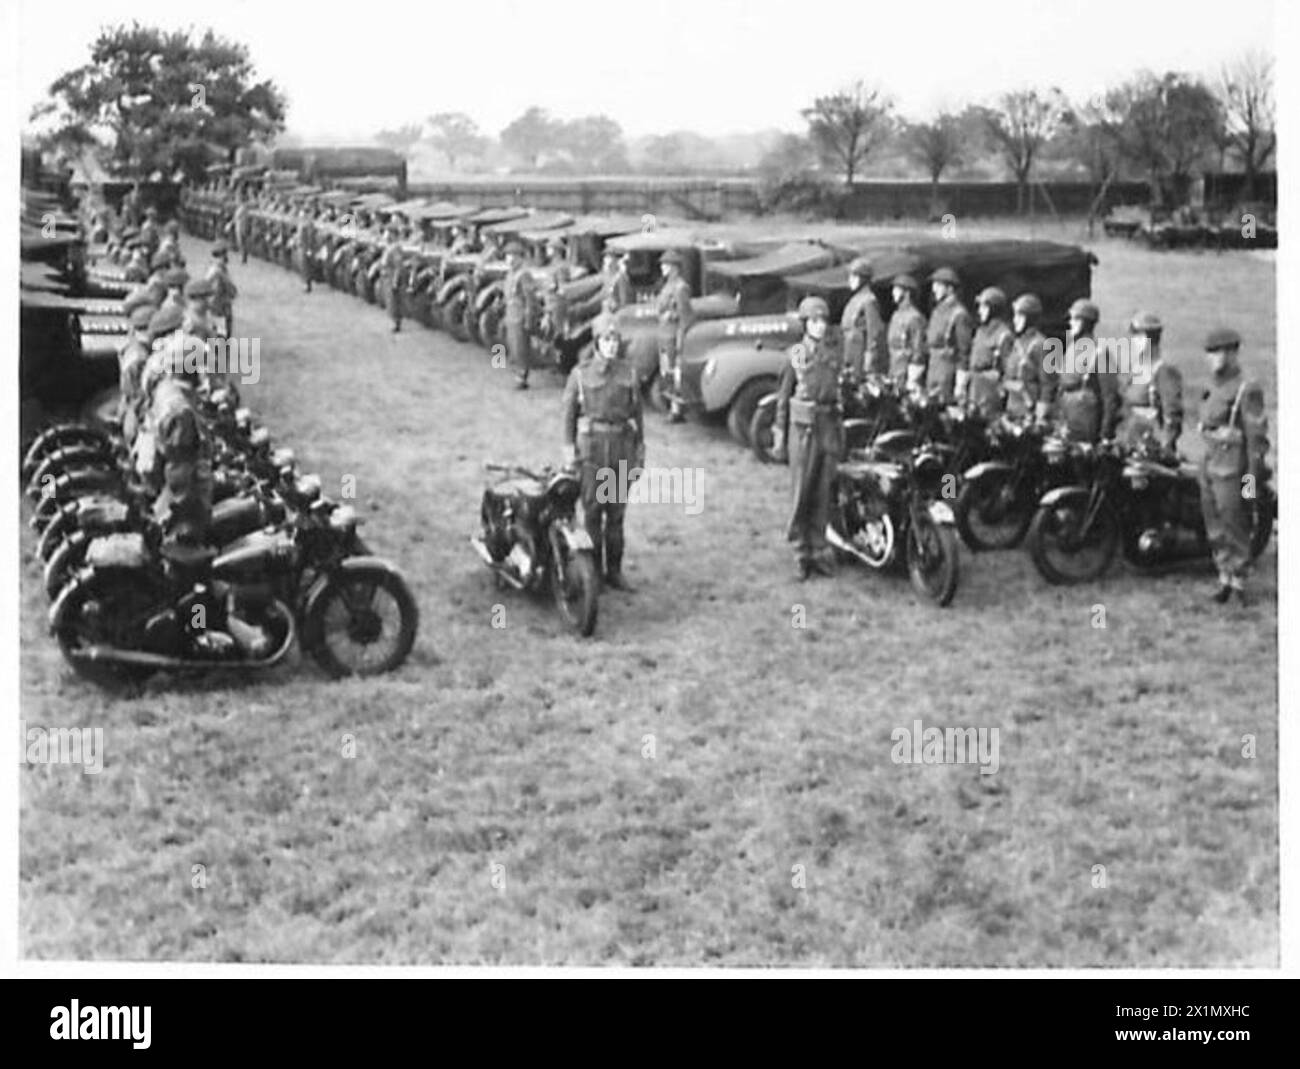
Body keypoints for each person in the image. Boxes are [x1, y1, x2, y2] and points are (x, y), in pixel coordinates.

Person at [561, 314, 645, 591]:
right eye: (607, 340)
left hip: (621, 449)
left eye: (615, 340)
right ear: (597, 342)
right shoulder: (580, 374)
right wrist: (569, 453)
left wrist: (639, 453)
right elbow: (568, 417)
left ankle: (615, 572)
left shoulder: (629, 373)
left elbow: (637, 417)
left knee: (616, 516)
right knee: (593, 515)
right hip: (592, 451)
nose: (612, 345)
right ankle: (593, 574)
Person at [772, 296, 845, 580]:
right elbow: (783, 397)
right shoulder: (797, 354)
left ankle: (818, 548)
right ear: (805, 324)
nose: (820, 326)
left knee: (823, 491)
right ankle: (800, 551)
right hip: (804, 430)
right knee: (802, 491)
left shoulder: (833, 353)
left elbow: (837, 390)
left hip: (828, 424)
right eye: (814, 321)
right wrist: (779, 436)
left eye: (823, 321)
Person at [1197, 328, 1269, 604]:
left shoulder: (1246, 388)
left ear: (1232, 353)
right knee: (1214, 523)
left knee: (1235, 522)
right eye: (1211, 352)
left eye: (1219, 352)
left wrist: (1251, 482)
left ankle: (1239, 580)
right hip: (1210, 463)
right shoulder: (1212, 386)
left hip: (1232, 468)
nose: (1214, 358)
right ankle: (1224, 576)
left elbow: (1255, 439)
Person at [1053, 298, 1121, 443]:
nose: (1071, 323)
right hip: (1066, 416)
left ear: (1086, 322)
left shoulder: (1099, 352)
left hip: (1086, 421)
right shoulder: (1071, 349)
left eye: (1075, 319)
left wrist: (1105, 433)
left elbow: (1110, 396)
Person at [1118, 311, 1183, 455]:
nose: (1133, 341)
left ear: (1149, 339)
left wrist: (1166, 445)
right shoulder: (1135, 369)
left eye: (1138, 336)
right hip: (1130, 438)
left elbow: (1172, 413)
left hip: (1151, 443)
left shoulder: (1163, 370)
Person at [655, 248, 693, 422]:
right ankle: (671, 405)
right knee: (667, 373)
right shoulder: (668, 286)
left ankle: (676, 409)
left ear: (674, 268)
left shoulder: (680, 288)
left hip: (672, 335)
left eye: (666, 265)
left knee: (674, 373)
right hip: (664, 334)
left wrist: (680, 339)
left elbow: (685, 316)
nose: (662, 268)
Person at [925, 266, 973, 402]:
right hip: (933, 368)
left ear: (950, 289)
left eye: (938, 285)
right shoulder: (937, 311)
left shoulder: (959, 314)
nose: (934, 289)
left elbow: (964, 351)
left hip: (947, 372)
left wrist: (960, 383)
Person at [1003, 293, 1053, 423]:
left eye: (1020, 316)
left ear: (1030, 318)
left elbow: (1047, 383)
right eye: (1015, 315)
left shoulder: (1041, 344)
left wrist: (1041, 412)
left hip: (1029, 410)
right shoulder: (1017, 342)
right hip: (1012, 406)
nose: (1015, 320)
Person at [968, 287, 1015, 417]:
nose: (979, 311)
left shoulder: (1003, 335)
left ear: (994, 309)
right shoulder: (980, 332)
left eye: (984, 307)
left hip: (991, 391)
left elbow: (1008, 370)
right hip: (974, 387)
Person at [840, 257, 887, 379]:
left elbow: (873, 332)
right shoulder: (854, 300)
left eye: (854, 276)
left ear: (863, 278)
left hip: (859, 357)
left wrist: (869, 360)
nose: (850, 280)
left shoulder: (869, 300)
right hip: (849, 353)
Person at [502, 241, 538, 387]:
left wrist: (529, 318)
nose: (508, 258)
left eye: (511, 255)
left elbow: (530, 298)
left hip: (519, 315)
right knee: (511, 344)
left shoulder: (524, 274)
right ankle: (512, 370)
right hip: (510, 313)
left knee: (520, 347)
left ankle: (522, 376)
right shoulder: (510, 273)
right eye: (507, 255)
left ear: (519, 257)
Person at [887, 273, 927, 391]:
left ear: (907, 293)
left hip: (906, 372)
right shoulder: (896, 315)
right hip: (894, 368)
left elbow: (918, 348)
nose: (893, 293)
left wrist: (913, 377)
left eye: (897, 289)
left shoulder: (915, 317)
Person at [206, 243, 238, 337]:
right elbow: (231, 290)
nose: (226, 257)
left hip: (220, 309)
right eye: (225, 254)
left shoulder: (219, 269)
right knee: (221, 338)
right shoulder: (217, 271)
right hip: (219, 310)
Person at [296, 207, 318, 293]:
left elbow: (310, 237)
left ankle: (307, 285)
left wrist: (309, 249)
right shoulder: (302, 223)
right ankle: (305, 283)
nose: (301, 215)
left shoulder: (308, 224)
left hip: (306, 247)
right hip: (302, 247)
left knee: (306, 266)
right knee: (303, 266)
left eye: (303, 214)